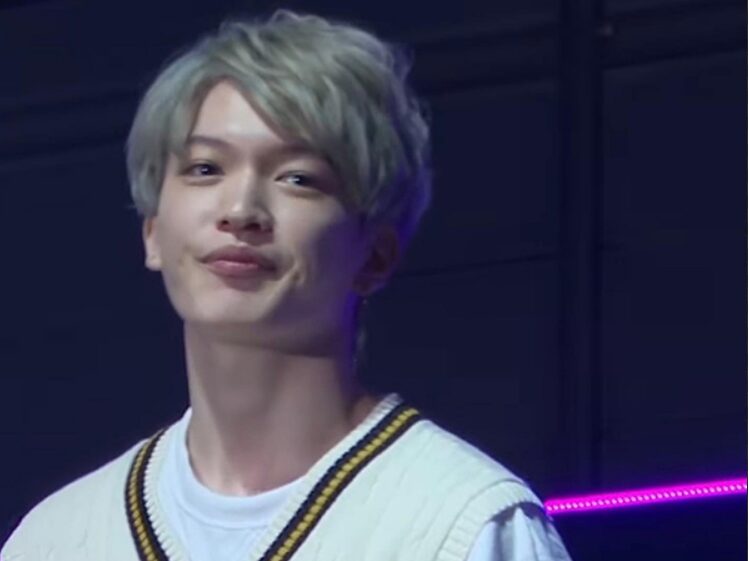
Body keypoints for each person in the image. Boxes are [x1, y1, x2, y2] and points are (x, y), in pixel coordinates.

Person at [1, 9, 572, 561]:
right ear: (153, 232)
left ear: (376, 254)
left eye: (298, 178)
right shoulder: (56, 539)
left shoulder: (463, 525)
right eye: (205, 168)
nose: (241, 210)